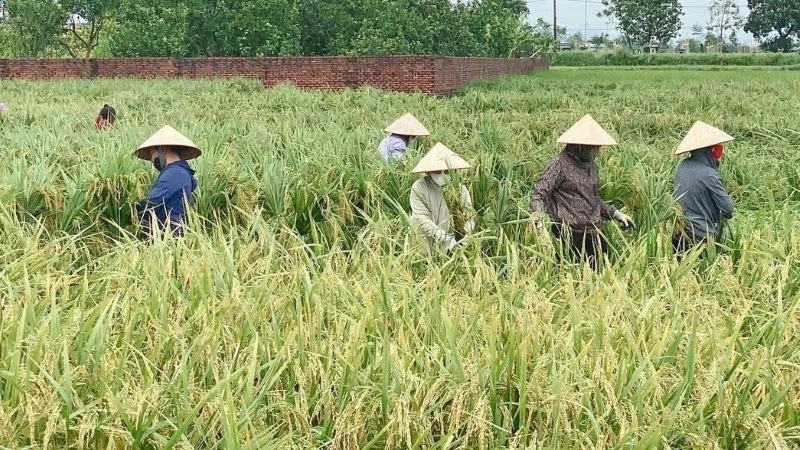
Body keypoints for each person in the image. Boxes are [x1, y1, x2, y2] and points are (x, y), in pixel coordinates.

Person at [530, 115, 634, 269]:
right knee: (573, 282)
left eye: (596, 148)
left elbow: (593, 200)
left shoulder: (591, 166)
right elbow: (539, 195)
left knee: (603, 278)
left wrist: (616, 214)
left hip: (595, 232)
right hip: (569, 235)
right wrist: (540, 225)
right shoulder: (558, 165)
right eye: (591, 148)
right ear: (579, 146)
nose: (595, 152)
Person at [672, 121, 735, 255]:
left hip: (679, 232)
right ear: (711, 151)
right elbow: (728, 210)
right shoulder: (709, 175)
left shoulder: (681, 166)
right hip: (701, 237)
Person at [134, 125, 201, 239]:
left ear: (163, 150)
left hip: (169, 237)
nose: (151, 160)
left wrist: (129, 211)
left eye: (151, 154)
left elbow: (152, 202)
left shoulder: (175, 173)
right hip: (170, 235)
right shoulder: (179, 172)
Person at [410, 143, 475, 254]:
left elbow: (469, 215)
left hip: (452, 246)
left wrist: (467, 234)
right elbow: (421, 217)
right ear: (428, 172)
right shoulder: (419, 187)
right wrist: (442, 236)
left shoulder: (460, 189)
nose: (443, 174)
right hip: (425, 244)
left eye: (446, 171)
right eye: (438, 172)